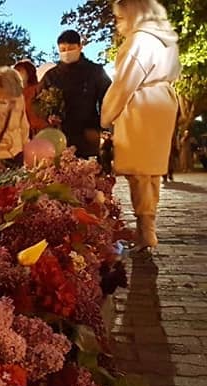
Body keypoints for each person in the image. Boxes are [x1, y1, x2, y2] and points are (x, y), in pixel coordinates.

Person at [101, 0, 180, 252]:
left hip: (143, 106)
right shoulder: (163, 39)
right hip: (160, 103)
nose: (117, 23)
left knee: (141, 173)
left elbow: (125, 83)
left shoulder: (140, 41)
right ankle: (146, 229)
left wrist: (107, 114)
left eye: (120, 17)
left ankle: (146, 232)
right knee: (149, 172)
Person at [40, 30, 112, 158]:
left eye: (71, 48)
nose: (67, 52)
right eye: (63, 49)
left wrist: (103, 127)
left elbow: (108, 100)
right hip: (60, 134)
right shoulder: (51, 76)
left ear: (80, 47)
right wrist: (48, 115)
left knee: (90, 168)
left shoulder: (95, 71)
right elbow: (39, 102)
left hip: (89, 132)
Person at [13, 60, 49, 135]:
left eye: (20, 72)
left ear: (29, 73)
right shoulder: (14, 94)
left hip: (39, 131)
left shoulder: (38, 89)